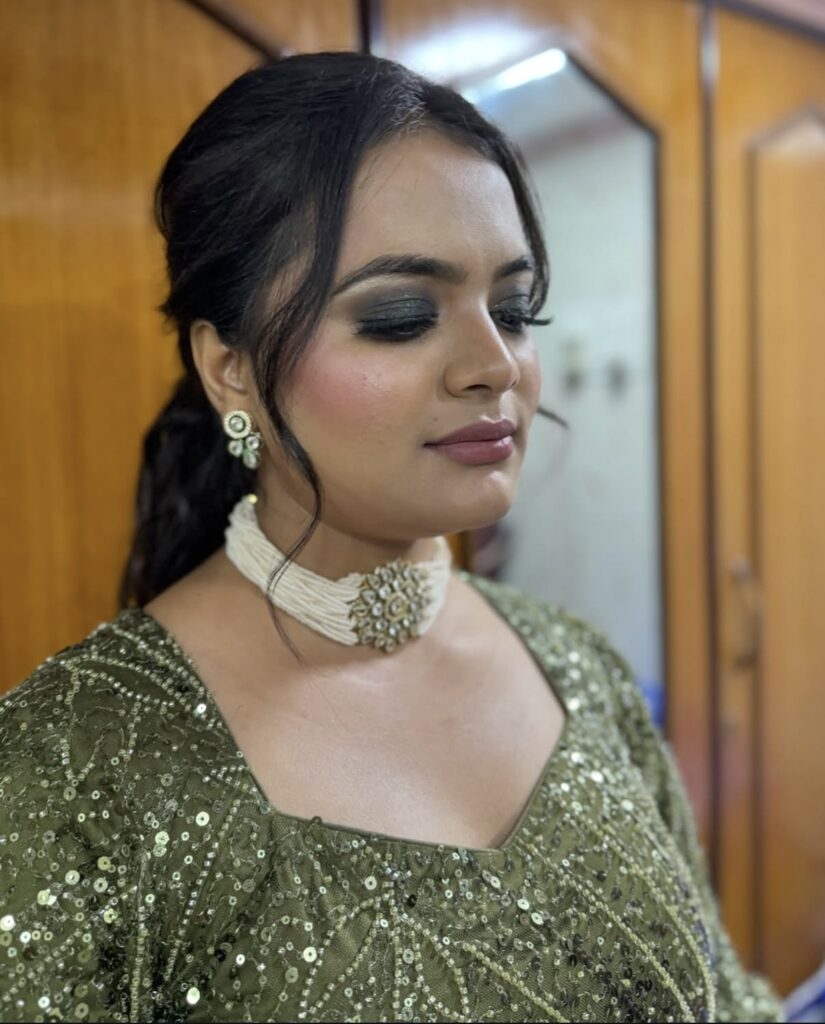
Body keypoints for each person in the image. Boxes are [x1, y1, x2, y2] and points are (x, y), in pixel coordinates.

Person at [0, 51, 784, 1024]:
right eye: (402, 317)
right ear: (230, 369)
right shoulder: (71, 763)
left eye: (513, 309)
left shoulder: (581, 669)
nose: (494, 364)